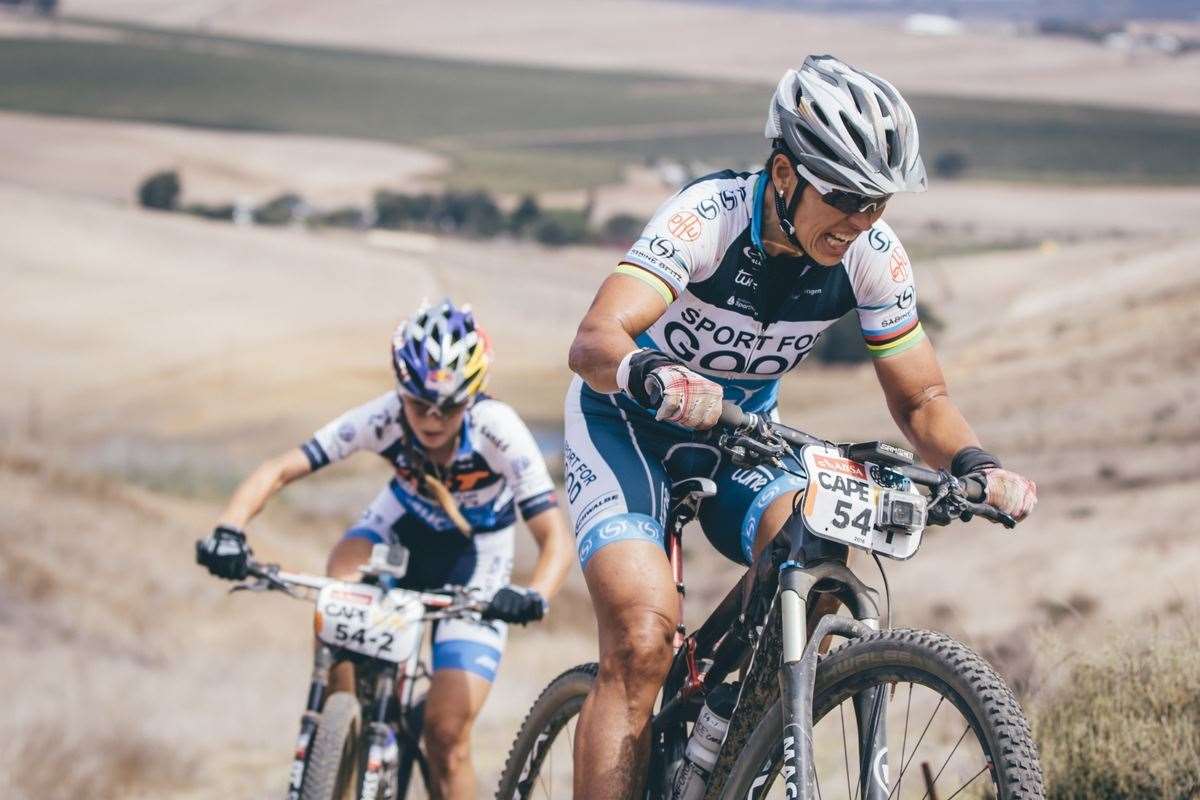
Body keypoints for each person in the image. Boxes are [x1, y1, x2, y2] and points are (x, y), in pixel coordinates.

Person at [564, 54, 1038, 799]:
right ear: (783, 174)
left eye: (877, 201)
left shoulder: (871, 255)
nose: (861, 219)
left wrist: (976, 463)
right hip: (628, 422)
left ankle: (732, 740)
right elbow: (595, 339)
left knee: (816, 557)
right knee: (640, 642)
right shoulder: (708, 219)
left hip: (742, 435)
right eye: (845, 194)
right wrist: (650, 373)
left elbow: (920, 401)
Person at [197, 299, 573, 800]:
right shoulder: (383, 417)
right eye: (420, 405)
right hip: (398, 531)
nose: (433, 420)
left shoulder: (499, 430)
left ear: (474, 396)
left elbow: (554, 537)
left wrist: (534, 595)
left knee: (446, 737)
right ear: (401, 392)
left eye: (451, 406)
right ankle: (343, 736)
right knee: (340, 575)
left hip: (477, 560)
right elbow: (281, 468)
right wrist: (229, 528)